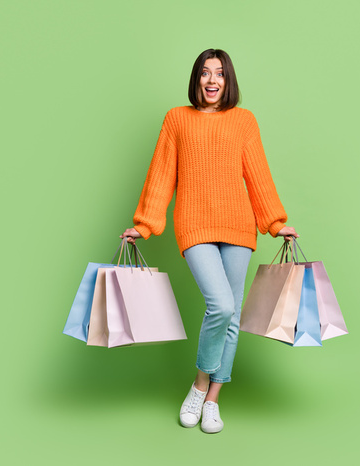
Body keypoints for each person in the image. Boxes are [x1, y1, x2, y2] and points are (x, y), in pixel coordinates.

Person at [121, 48, 298, 434]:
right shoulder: (176, 120)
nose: (212, 80)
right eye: (205, 73)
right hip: (195, 225)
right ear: (196, 79)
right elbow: (161, 175)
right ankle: (199, 386)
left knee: (232, 314)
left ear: (228, 80)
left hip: (238, 227)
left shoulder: (244, 121)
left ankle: (213, 400)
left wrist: (274, 222)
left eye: (219, 73)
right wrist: (145, 224)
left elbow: (258, 176)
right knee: (219, 305)